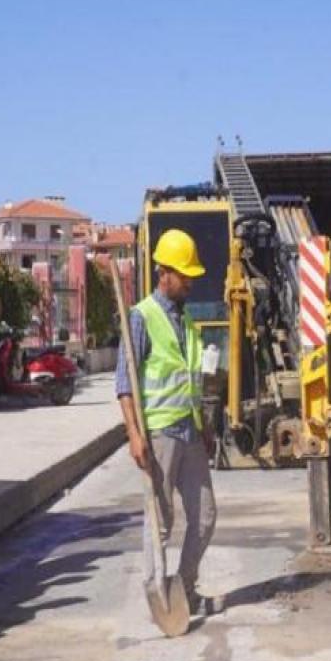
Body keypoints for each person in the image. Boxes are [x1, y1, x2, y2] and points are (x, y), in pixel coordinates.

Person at [115, 228, 221, 616]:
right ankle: (158, 596)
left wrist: (206, 425)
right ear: (164, 273)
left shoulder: (186, 319)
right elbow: (124, 384)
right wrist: (133, 434)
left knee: (206, 515)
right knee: (161, 522)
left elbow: (192, 379)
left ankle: (185, 588)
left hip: (190, 431)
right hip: (159, 432)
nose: (190, 281)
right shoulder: (142, 317)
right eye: (184, 274)